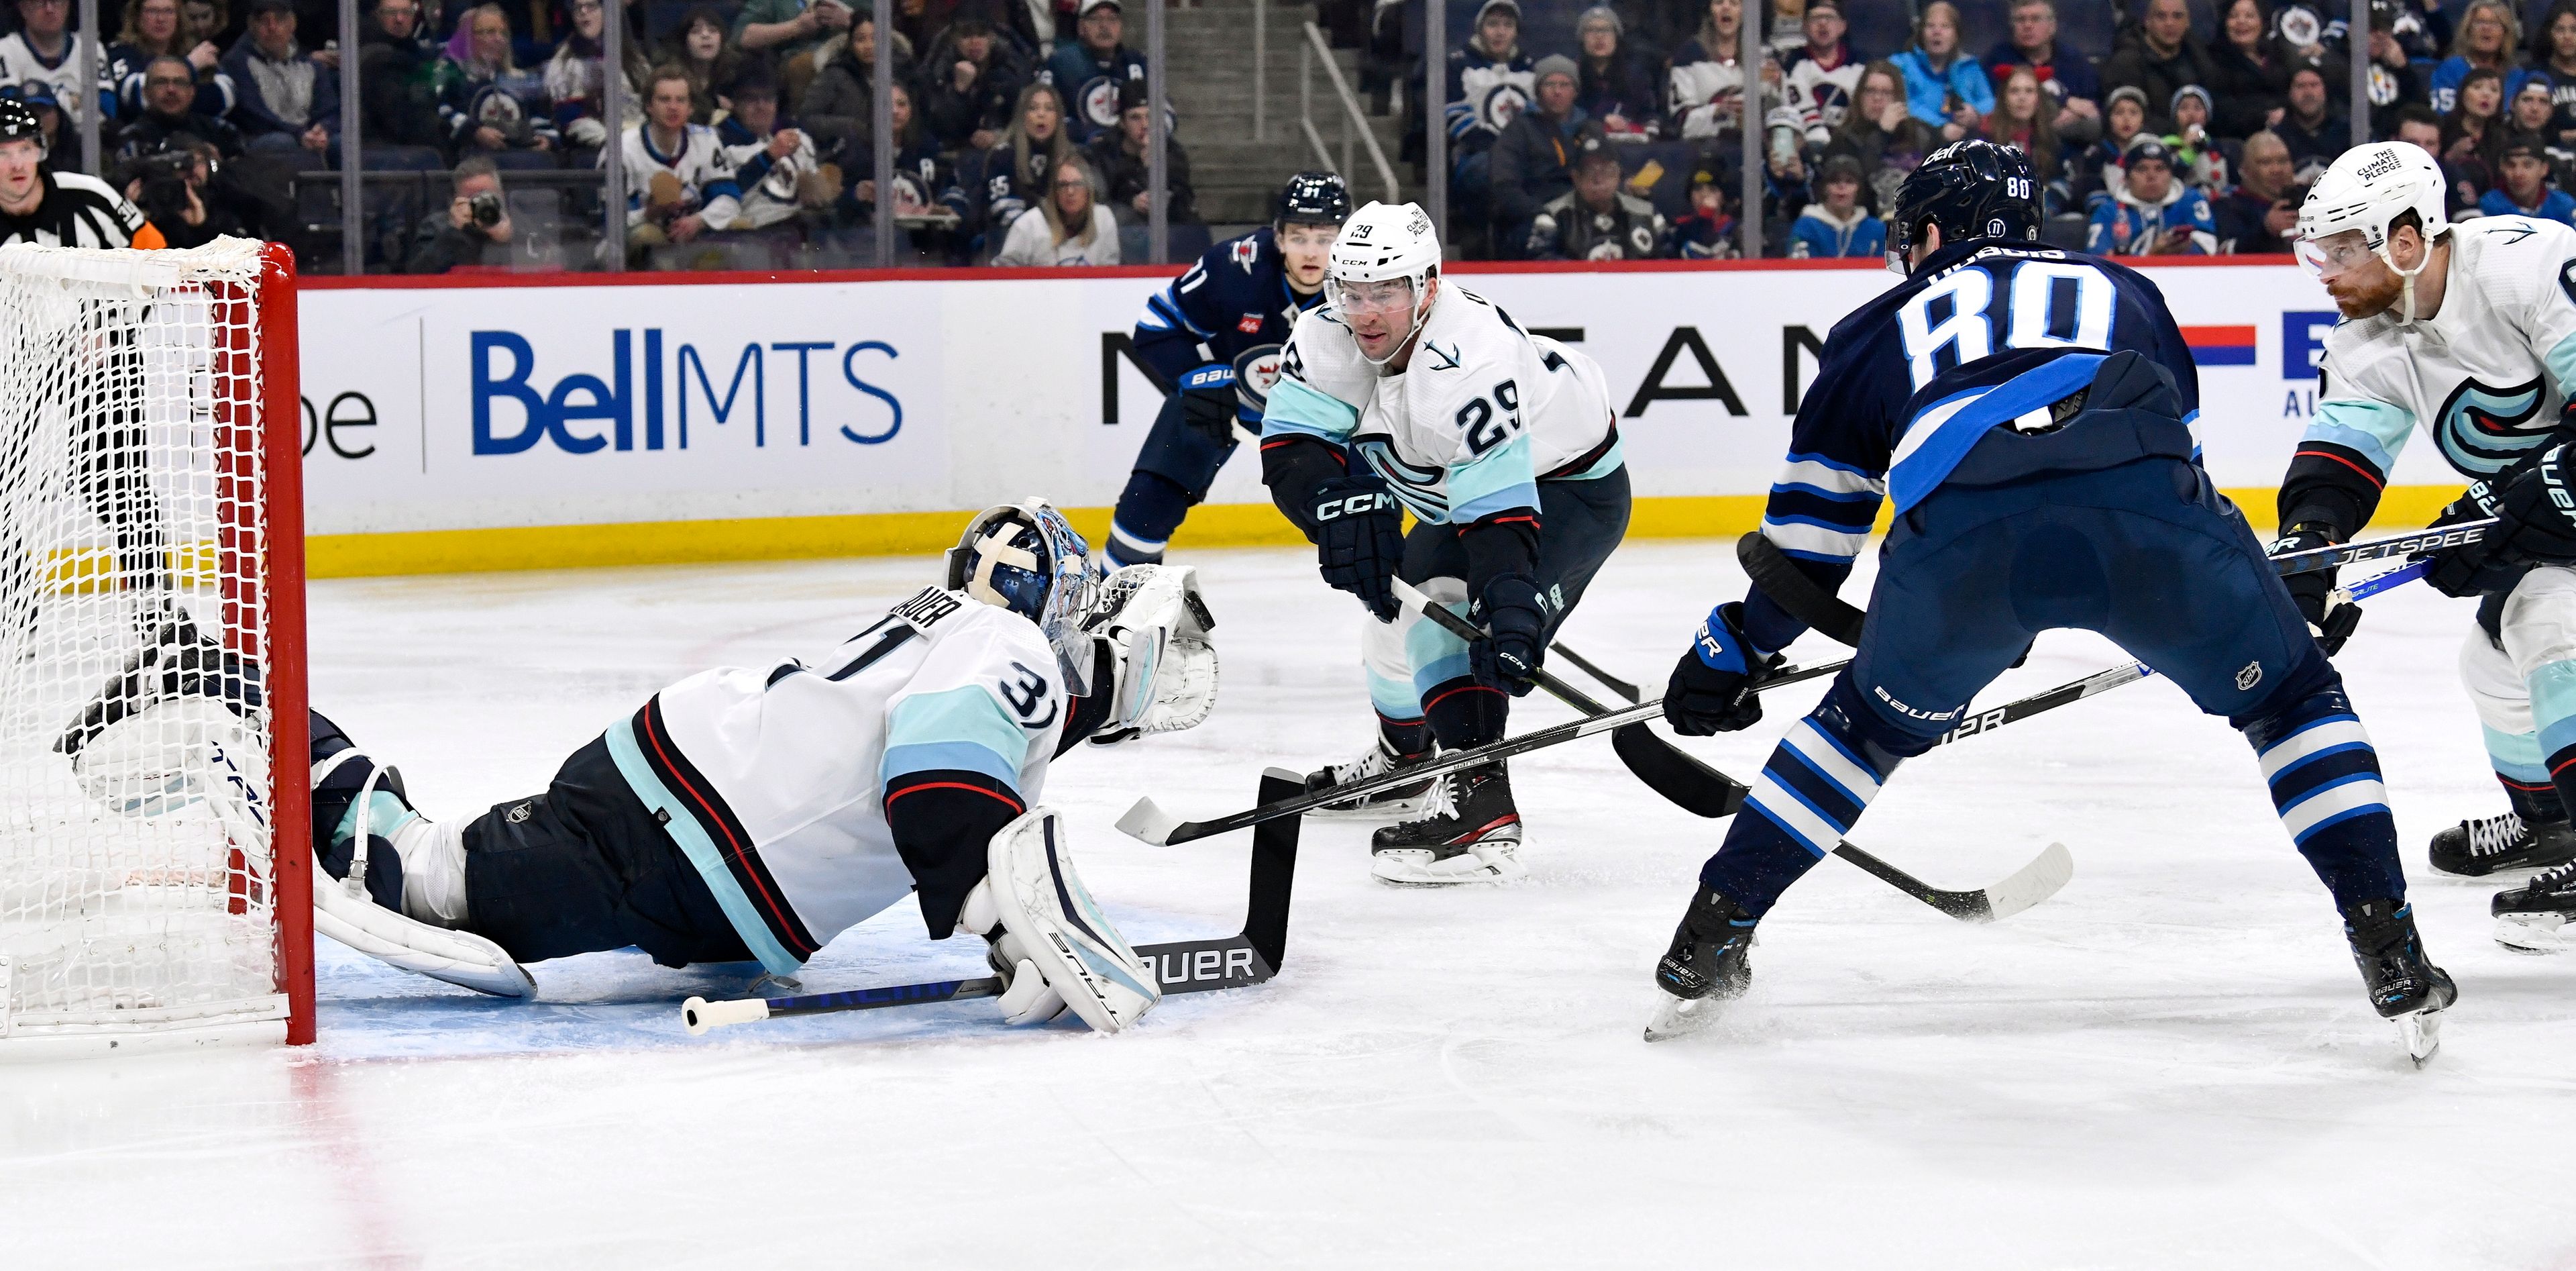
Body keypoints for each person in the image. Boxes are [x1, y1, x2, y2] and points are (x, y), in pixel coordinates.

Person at [1644, 138, 2452, 1064]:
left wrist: (1739, 649)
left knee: (1859, 730)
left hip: (1960, 544)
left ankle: (1708, 939)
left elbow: (1809, 546)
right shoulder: (2125, 287)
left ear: (1934, 230)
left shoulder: (1873, 328)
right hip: (2145, 514)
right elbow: (2180, 467)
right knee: (2291, 700)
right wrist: (2256, 601)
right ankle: (2388, 942)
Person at [89, 503, 1218, 1035]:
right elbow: (940, 786)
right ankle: (220, 687)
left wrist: (1009, 894)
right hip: (666, 845)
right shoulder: (1010, 648)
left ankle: (231, 690)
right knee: (417, 878)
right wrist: (1009, 921)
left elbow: (978, 760)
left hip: (676, 811)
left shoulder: (957, 630)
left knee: (441, 867)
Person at [1261, 200, 1631, 884]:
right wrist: (1335, 509)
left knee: (1451, 625)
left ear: (1427, 286)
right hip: (1452, 490)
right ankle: (1405, 759)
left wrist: (1511, 604)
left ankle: (1483, 807)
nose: (1366, 312)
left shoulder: (1467, 363)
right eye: (1353, 291)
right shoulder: (1325, 334)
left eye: (1387, 292)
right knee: (1395, 617)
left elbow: (1496, 518)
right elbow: (1292, 450)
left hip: (1566, 489)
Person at [2275, 146, 2576, 949]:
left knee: (2550, 628)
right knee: (2493, 665)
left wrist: (2520, 502)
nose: (2326, 271)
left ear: (2405, 241)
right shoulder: (2368, 340)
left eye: (2342, 249)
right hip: (2561, 518)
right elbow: (2338, 466)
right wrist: (2309, 560)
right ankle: (2553, 825)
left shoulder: (2527, 264)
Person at [1103, 172, 1348, 595]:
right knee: (1147, 503)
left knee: (1363, 525)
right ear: (1278, 237)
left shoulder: (1367, 281)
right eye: (1299, 237)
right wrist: (1198, 378)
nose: (1311, 253)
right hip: (1226, 404)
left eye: (1325, 239)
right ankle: (1111, 610)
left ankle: (1399, 632)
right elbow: (1156, 325)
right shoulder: (1234, 267)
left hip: (1327, 420)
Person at [0, 99, 172, 647]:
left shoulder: (88, 197)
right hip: (12, 362)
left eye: (25, 149)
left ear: (42, 152)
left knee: (114, 484)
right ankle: (14, 608)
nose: (16, 165)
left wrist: (115, 326)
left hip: (98, 356)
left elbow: (155, 254)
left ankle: (155, 607)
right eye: (2, 154)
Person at [1489, 54, 1602, 258]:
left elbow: (1607, 175)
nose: (1557, 91)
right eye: (1550, 84)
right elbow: (1504, 185)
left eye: (1564, 84)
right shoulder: (1519, 130)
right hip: (1534, 218)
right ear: (1538, 90)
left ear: (1575, 91)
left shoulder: (1591, 129)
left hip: (1585, 218)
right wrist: (1539, 212)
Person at [943, 81, 1071, 259]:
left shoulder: (1069, 158)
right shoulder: (1003, 155)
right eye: (1033, 109)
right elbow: (1005, 210)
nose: (1041, 114)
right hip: (1008, 238)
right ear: (1021, 116)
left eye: (1049, 109)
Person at [615, 65, 740, 250]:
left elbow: (730, 199)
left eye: (681, 100)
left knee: (739, 227)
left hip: (694, 238)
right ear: (649, 106)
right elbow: (609, 222)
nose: (673, 107)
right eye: (664, 100)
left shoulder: (706, 140)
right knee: (646, 236)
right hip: (637, 250)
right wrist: (649, 214)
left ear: (690, 108)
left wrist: (699, 221)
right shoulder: (622, 148)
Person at [435, 3, 557, 168]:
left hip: (520, 159)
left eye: (503, 33)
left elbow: (539, 115)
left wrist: (546, 138)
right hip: (469, 160)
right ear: (470, 38)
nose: (499, 39)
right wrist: (475, 132)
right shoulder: (453, 73)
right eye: (490, 32)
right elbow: (441, 111)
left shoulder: (519, 77)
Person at [220, 0, 337, 164]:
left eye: (279, 20)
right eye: (264, 21)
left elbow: (329, 109)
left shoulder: (312, 65)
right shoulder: (236, 63)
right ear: (252, 26)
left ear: (292, 25)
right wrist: (299, 134)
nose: (272, 28)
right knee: (282, 142)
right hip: (258, 138)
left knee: (342, 144)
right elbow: (253, 116)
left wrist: (323, 129)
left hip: (306, 135)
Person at [717, 75, 830, 230]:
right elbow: (722, 196)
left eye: (768, 99)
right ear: (735, 105)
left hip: (797, 229)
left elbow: (821, 199)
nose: (761, 106)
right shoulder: (718, 143)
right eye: (751, 99)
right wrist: (767, 157)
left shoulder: (797, 138)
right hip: (750, 236)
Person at [1529, 136, 1666, 260]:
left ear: (1618, 175)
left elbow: (1670, 261)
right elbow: (1540, 262)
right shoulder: (1552, 215)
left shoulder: (1647, 213)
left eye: (1607, 171)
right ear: (1576, 178)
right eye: (1590, 172)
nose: (1599, 179)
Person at [1983, 0, 2099, 144]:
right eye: (2021, 20)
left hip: (2066, 141)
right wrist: (2065, 101)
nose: (2027, 26)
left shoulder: (2073, 61)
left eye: (2035, 19)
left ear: (2052, 27)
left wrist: (2075, 114)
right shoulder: (1997, 59)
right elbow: (1991, 106)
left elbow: (2092, 105)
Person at [1827, 58, 1933, 214]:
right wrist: (1882, 135)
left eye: (1886, 92)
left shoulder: (1920, 135)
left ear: (1897, 98)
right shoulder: (1843, 140)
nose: (1877, 98)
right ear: (1860, 96)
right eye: (1871, 91)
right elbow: (1858, 188)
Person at [1085, 77, 1194, 227]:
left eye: (1149, 116)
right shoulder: (1104, 153)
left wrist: (1152, 170)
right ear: (1122, 123)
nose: (1145, 125)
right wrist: (1132, 202)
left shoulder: (1172, 152)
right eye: (1135, 118)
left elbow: (1183, 203)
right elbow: (1100, 203)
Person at [542, 0, 643, 155]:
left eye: (591, 6)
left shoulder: (634, 60)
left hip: (632, 136)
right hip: (590, 142)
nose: (583, 12)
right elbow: (567, 116)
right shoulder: (563, 62)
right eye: (578, 8)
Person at [0, 0, 115, 134]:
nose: (49, 9)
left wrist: (41, 105)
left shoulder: (90, 47)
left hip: (83, 144)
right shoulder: (6, 50)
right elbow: (10, 109)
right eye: (40, 3)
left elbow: (108, 109)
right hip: (28, 144)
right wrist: (72, 101)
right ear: (24, 9)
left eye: (57, 2)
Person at [355, 0, 448, 164]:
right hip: (386, 144)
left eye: (406, 13)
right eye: (391, 13)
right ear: (377, 16)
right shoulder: (376, 59)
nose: (399, 19)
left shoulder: (421, 57)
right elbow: (399, 119)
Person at [2102, 0, 2217, 133]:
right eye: (2161, 17)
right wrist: (2179, 132)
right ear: (2147, 21)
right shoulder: (2127, 62)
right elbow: (2130, 117)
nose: (2170, 23)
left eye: (2177, 16)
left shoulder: (2199, 57)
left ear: (2188, 22)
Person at [2088, 136, 2215, 255]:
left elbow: (2208, 248)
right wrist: (2152, 256)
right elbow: (2098, 263)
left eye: (2160, 169)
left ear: (2171, 174)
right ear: (2127, 177)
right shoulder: (2109, 212)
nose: (2152, 176)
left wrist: (2184, 250)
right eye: (2142, 169)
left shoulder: (2191, 201)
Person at [109, 0, 231, 120]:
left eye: (169, 11)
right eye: (152, 11)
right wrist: (189, 66)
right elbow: (132, 96)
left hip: (192, 133)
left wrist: (167, 99)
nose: (161, 19)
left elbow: (226, 94)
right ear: (137, 17)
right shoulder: (121, 51)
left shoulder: (190, 47)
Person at [1670, 0, 1771, 144]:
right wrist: (1717, 111)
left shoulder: (1762, 56)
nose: (1726, 7)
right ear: (1710, 12)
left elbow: (1779, 113)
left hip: (1756, 148)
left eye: (1734, 3)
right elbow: (1681, 122)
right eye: (1719, 2)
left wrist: (1777, 86)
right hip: (1706, 150)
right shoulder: (1689, 56)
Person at [1042, 0, 1142, 144]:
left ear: (1121, 26)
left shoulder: (1136, 62)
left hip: (1128, 153)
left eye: (1112, 18)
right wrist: (1083, 134)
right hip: (1077, 153)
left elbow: (1165, 113)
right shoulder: (1061, 62)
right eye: (1095, 19)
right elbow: (1043, 114)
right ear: (1081, 27)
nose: (1105, 26)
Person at [920, 16, 1026, 154]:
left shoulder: (1012, 69)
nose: (975, 42)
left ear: (992, 38)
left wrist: (999, 137)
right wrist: (958, 91)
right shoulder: (938, 69)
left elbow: (1025, 122)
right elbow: (937, 129)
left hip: (1002, 153)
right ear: (955, 39)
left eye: (982, 35)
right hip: (952, 156)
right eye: (966, 35)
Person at [990, 154, 1116, 265]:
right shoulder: (1028, 224)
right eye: (1063, 185)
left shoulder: (1103, 218)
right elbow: (1002, 274)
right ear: (1054, 191)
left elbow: (1111, 274)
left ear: (1089, 189)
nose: (1070, 192)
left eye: (1078, 184)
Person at [1890, 1, 1990, 136]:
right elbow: (1904, 104)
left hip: (1964, 138)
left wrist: (1976, 115)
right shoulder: (1902, 65)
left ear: (1956, 36)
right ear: (1921, 33)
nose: (1937, 32)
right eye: (1930, 26)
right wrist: (1940, 127)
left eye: (1945, 26)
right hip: (1917, 139)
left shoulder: (1969, 67)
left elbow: (1989, 102)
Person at [402, 155, 515, 270]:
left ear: (501, 195)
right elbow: (418, 272)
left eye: (487, 195)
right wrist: (455, 232)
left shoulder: (521, 222)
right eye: (473, 198)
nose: (482, 203)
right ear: (457, 200)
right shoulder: (436, 226)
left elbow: (531, 263)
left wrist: (509, 240)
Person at [2206, 0, 2295, 142]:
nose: (2241, 21)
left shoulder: (2277, 54)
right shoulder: (2214, 60)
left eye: (2250, 16)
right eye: (2234, 16)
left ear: (2262, 22)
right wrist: (2265, 117)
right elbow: (2223, 111)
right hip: (2243, 139)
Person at [1574, 4, 1662, 142]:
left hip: (1630, 146)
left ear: (1617, 37)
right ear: (1582, 39)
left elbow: (1648, 113)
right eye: (1591, 30)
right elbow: (1567, 117)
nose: (1599, 36)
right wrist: (1601, 120)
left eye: (1606, 30)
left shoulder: (1635, 76)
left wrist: (1650, 126)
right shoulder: (1572, 75)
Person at [2429, 0, 2534, 115]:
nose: (2486, 28)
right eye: (2479, 22)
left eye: (2494, 24)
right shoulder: (2450, 70)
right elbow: (2443, 116)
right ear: (2468, 31)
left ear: (2506, 34)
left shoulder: (2516, 76)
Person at [1776, 0, 1858, 147]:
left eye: (1830, 18)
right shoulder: (1791, 63)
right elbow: (1804, 119)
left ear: (1842, 26)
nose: (1823, 23)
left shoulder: (1860, 65)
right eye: (1816, 18)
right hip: (1805, 146)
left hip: (1851, 145)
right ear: (1805, 26)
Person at [2214, 127, 2300, 252]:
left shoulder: (2310, 203)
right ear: (2245, 170)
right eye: (2265, 162)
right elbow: (2226, 253)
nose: (2276, 170)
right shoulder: (2227, 207)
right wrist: (2266, 230)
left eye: (2283, 161)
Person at [1786, 152, 1880, 256]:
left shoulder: (1876, 229)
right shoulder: (1806, 226)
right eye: (1834, 181)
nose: (1842, 187)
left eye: (1849, 181)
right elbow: (1800, 268)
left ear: (1859, 189)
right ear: (1825, 188)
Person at [1984, 64, 2058, 195]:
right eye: (2014, 91)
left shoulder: (2049, 137)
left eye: (2029, 91)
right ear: (2003, 98)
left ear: (2038, 99)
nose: (2022, 98)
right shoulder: (1985, 137)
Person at [661, 5, 742, 123]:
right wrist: (715, 102)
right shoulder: (672, 77)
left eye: (713, 30)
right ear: (684, 42)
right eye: (696, 31)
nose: (706, 35)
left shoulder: (734, 74)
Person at [2478, 135, 2576, 225]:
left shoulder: (2564, 205)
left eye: (2527, 165)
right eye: (2511, 165)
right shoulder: (2490, 205)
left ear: (2544, 169)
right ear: (2502, 168)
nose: (2518, 174)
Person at [2275, 64, 2349, 180]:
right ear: (2289, 93)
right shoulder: (2277, 138)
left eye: (2314, 85)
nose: (2308, 92)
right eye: (2300, 86)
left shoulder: (2347, 133)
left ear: (2325, 90)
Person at [1672, 162, 1735, 258]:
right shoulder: (1681, 229)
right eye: (1698, 189)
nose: (1704, 195)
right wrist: (1705, 217)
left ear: (1723, 198)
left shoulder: (1735, 230)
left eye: (1712, 190)